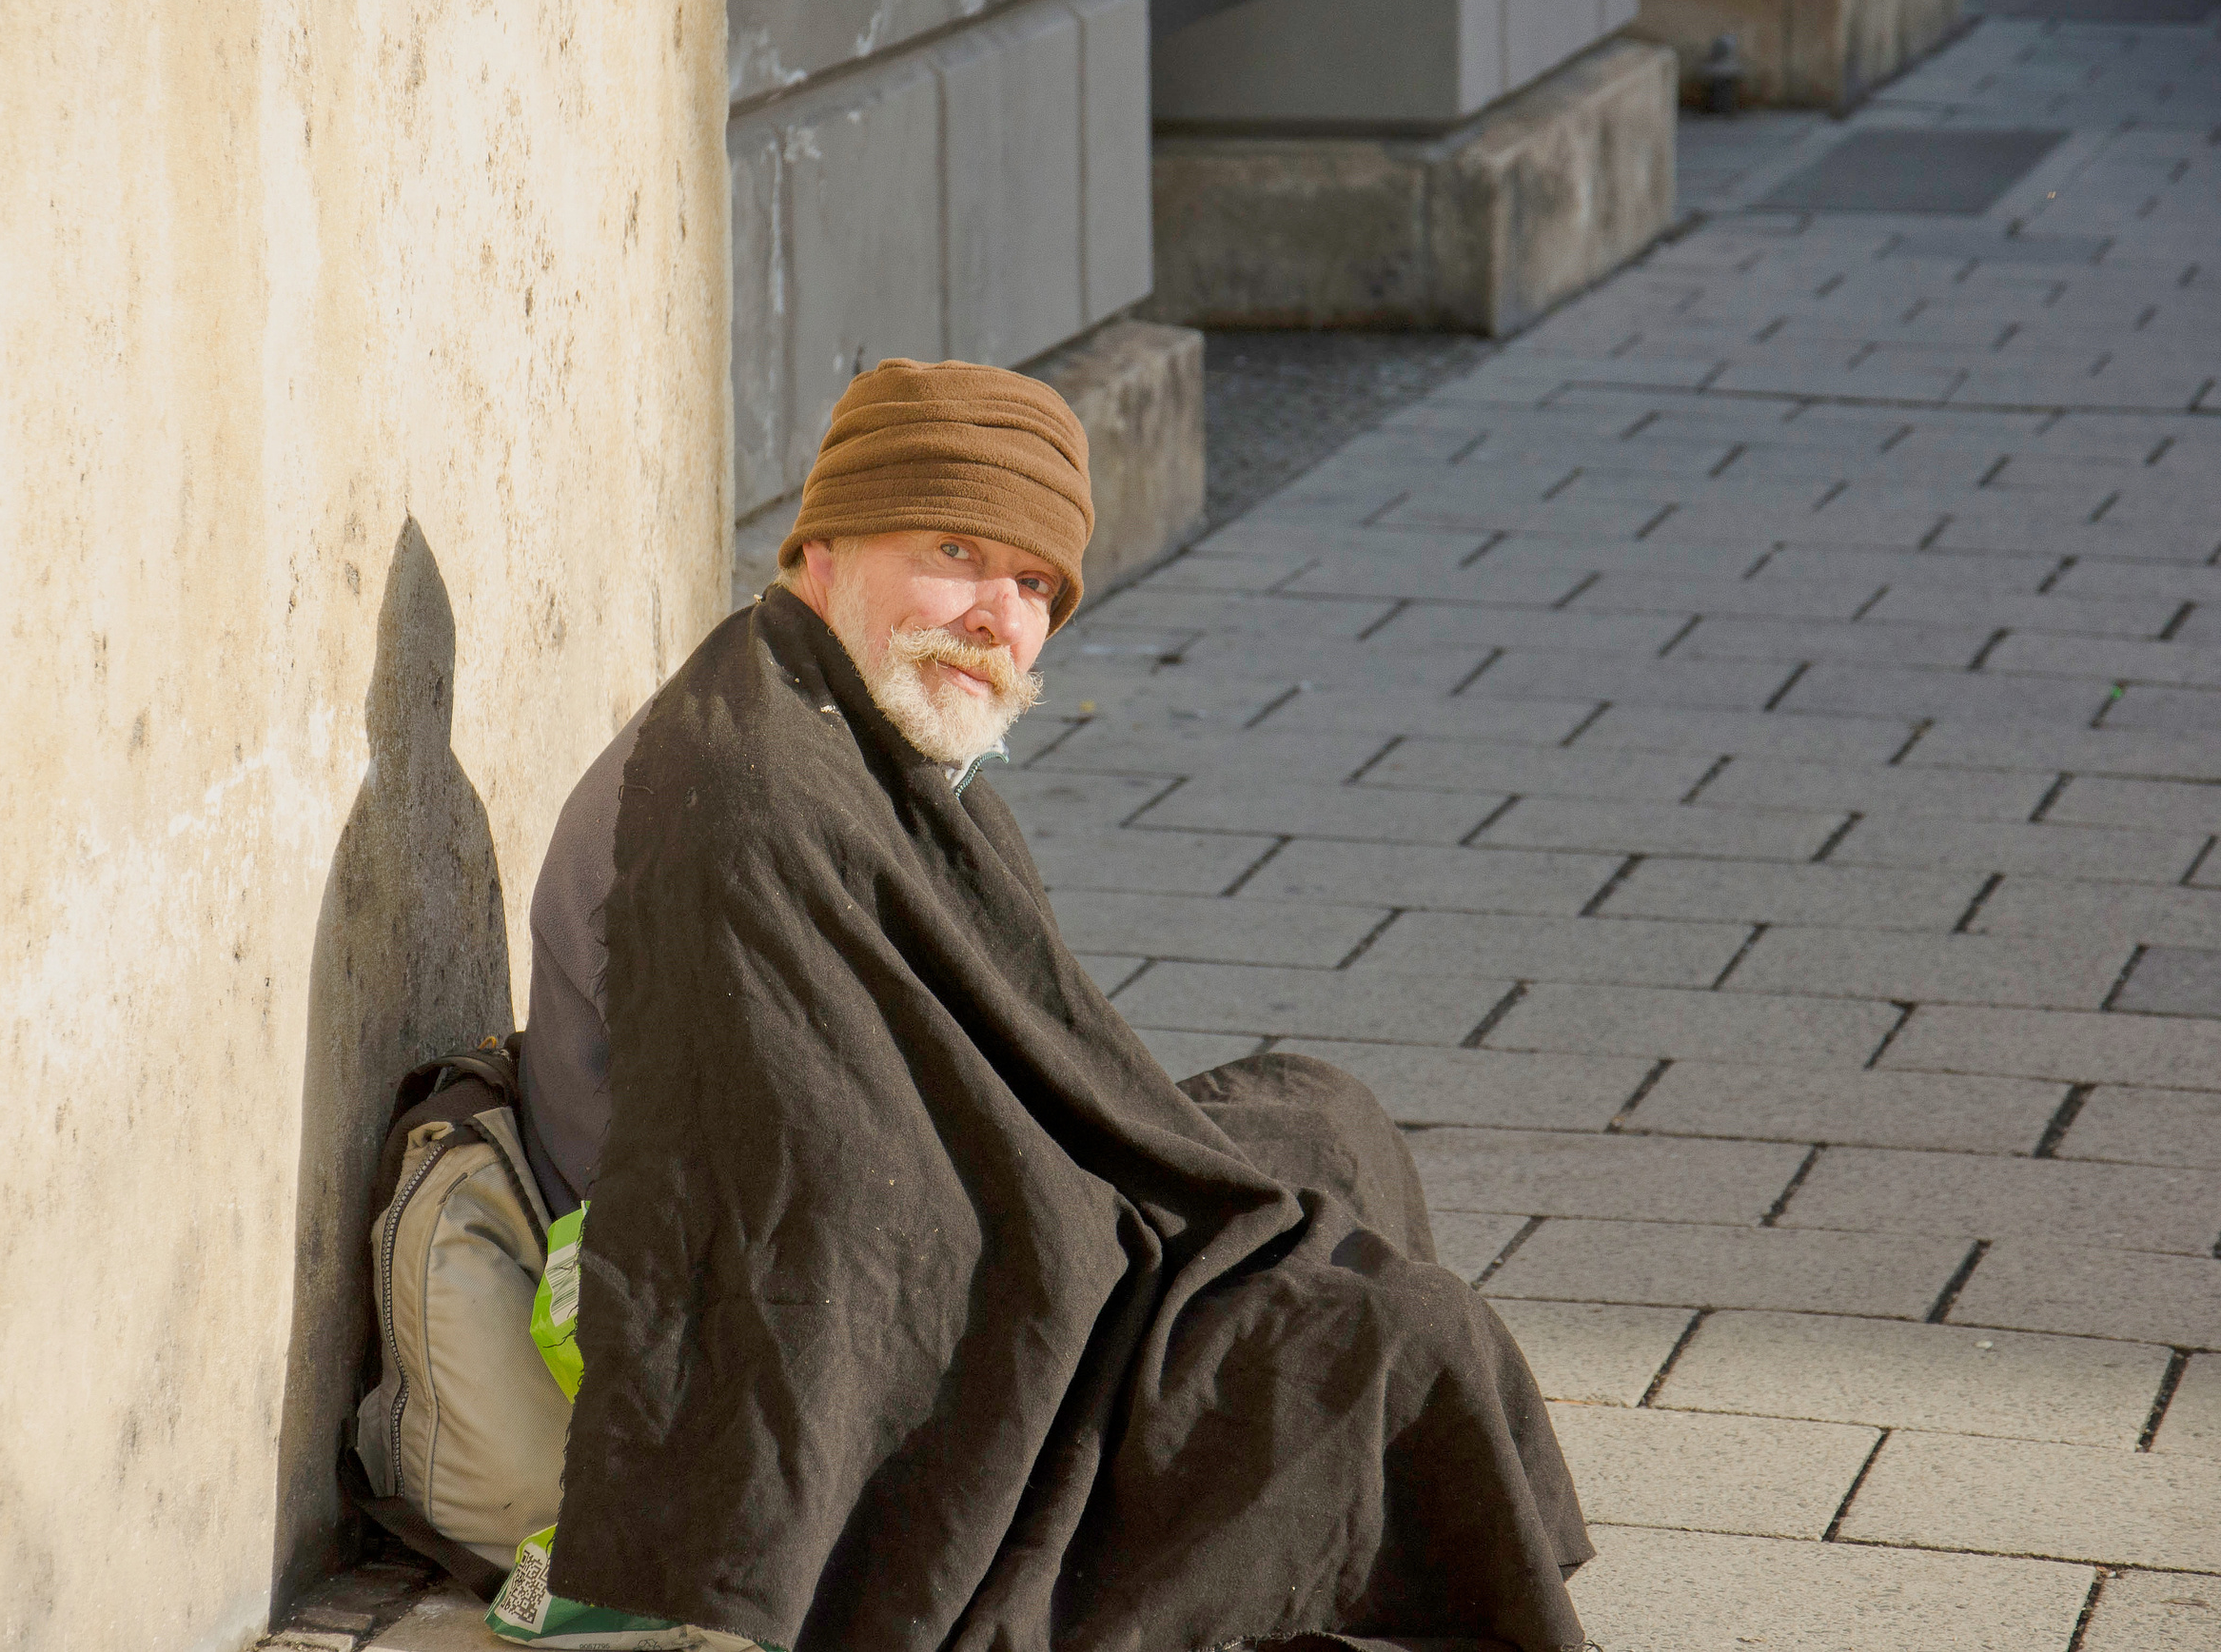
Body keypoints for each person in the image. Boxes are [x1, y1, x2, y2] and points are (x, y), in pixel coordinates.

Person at [515, 359, 1591, 1652]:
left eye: (1036, 586)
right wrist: (1129, 1254)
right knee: (1389, 1338)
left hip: (930, 1189)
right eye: (955, 550)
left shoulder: (847, 713)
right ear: (827, 543)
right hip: (757, 1274)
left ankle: (1323, 1565)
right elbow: (824, 1202)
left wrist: (1146, 1219)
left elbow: (997, 1062)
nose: (997, 618)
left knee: (1325, 1122)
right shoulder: (747, 798)